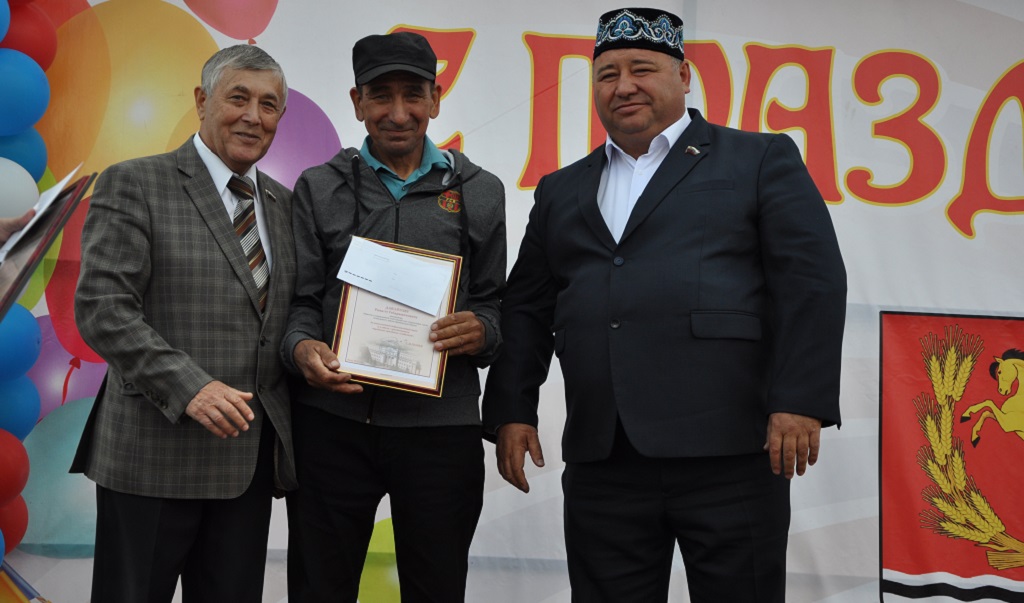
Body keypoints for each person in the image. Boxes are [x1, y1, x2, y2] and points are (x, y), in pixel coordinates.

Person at [483, 7, 847, 602]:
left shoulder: (758, 158)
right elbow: (526, 307)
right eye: (607, 74)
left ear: (684, 75)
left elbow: (812, 282)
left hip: (731, 448)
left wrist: (800, 399)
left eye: (642, 69)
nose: (623, 86)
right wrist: (511, 409)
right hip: (604, 457)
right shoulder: (560, 188)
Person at [281, 31, 506, 602]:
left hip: (441, 431)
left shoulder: (480, 191)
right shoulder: (318, 187)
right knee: (318, 589)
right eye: (381, 95)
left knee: (436, 588)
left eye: (413, 95)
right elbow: (299, 303)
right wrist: (302, 349)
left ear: (436, 99)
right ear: (357, 102)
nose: (398, 113)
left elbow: (497, 305)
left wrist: (481, 330)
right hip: (332, 425)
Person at [71, 44, 296, 602]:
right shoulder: (135, 182)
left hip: (246, 466)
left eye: (268, 105)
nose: (253, 116)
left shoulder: (285, 205)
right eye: (238, 98)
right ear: (201, 101)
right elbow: (104, 307)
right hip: (152, 458)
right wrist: (190, 386)